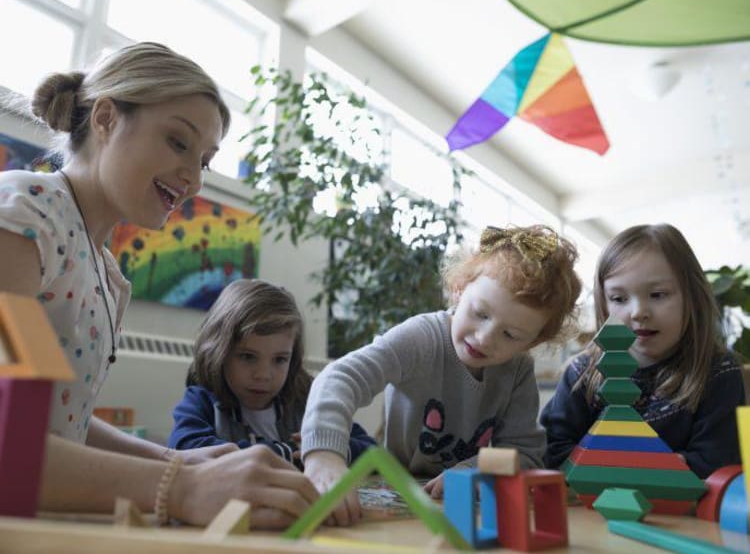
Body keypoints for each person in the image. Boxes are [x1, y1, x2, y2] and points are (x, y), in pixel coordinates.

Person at [0, 41, 317, 529]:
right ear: (105, 118)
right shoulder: (26, 221)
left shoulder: (101, 270)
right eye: (177, 142)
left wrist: (177, 462)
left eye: (205, 161)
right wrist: (184, 487)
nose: (192, 178)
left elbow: (50, 420)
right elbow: (8, 444)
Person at [301, 224, 583, 525]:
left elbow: (523, 452)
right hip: (397, 488)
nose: (486, 338)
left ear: (533, 341)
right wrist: (323, 455)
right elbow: (339, 377)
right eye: (481, 313)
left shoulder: (518, 370)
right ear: (459, 290)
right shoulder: (421, 337)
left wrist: (472, 470)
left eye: (511, 335)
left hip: (458, 503)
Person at [541, 223, 745, 479]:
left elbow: (717, 463)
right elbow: (553, 451)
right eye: (619, 298)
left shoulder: (717, 372)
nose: (638, 312)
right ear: (604, 304)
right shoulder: (581, 373)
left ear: (692, 297)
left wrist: (638, 467)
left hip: (680, 516)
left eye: (658, 294)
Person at [168, 278, 376, 466]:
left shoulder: (308, 401)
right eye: (248, 356)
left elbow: (372, 451)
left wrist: (327, 451)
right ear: (220, 352)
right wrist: (286, 453)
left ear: (292, 358)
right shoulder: (202, 399)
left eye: (279, 359)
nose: (263, 375)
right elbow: (185, 448)